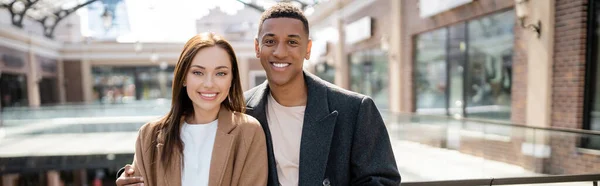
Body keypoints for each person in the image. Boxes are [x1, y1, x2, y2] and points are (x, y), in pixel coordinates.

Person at [118, 3, 400, 186]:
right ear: (257, 48)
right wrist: (127, 176)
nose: (280, 52)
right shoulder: (245, 112)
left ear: (308, 49)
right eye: (270, 42)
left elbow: (383, 180)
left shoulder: (354, 109)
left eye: (292, 42)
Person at [117, 33, 267, 186]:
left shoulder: (248, 132)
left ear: (231, 79)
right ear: (183, 77)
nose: (209, 83)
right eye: (198, 72)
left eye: (220, 73)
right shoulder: (149, 134)